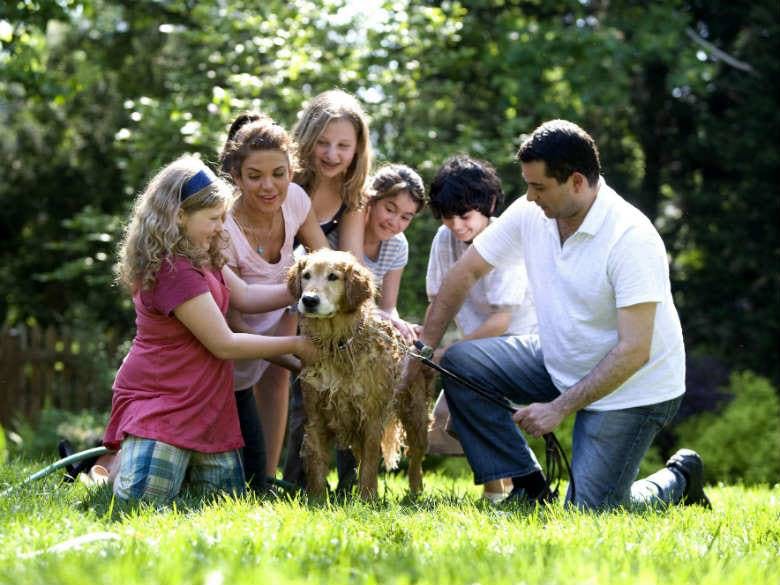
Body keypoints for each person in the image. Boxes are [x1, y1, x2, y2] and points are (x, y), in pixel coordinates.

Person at [412, 120, 710, 511]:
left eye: (539, 187)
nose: (530, 197)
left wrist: (559, 408)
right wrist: (422, 352)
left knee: (591, 511)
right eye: (528, 185)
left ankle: (679, 479)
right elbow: (465, 273)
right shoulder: (531, 212)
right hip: (559, 358)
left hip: (632, 388)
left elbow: (635, 350)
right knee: (461, 362)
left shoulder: (631, 238)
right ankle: (529, 486)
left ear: (576, 182)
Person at [103, 155, 316, 505]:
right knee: (144, 500)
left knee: (223, 504)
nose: (222, 227)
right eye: (214, 219)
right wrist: (298, 344)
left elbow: (245, 296)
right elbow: (224, 344)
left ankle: (130, 461)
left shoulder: (203, 254)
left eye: (223, 218)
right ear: (179, 217)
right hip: (165, 403)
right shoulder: (174, 270)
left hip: (208, 406)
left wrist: (308, 286)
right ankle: (109, 468)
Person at [284, 163, 427, 492]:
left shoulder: (397, 246)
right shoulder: (334, 242)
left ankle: (353, 486)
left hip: (363, 334)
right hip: (319, 335)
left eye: (405, 216)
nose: (394, 221)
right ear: (371, 200)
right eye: (389, 208)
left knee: (361, 403)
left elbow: (387, 305)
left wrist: (397, 326)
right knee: (305, 409)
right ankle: (296, 483)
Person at [219, 113, 328, 490]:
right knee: (220, 477)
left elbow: (324, 258)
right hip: (223, 359)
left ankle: (266, 480)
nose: (269, 186)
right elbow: (234, 320)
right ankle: (104, 462)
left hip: (274, 343)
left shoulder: (296, 200)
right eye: (255, 176)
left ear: (291, 171)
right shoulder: (221, 227)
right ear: (235, 176)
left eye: (279, 174)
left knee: (254, 479)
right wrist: (299, 357)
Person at [423, 155, 538, 504]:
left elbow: (501, 322)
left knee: (467, 407)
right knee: (439, 425)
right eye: (447, 216)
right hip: (473, 352)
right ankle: (503, 490)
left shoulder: (507, 237)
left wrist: (448, 354)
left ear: (488, 204)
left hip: (521, 349)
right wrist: (425, 349)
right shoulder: (445, 239)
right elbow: (439, 303)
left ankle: (499, 494)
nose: (456, 225)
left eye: (465, 215)